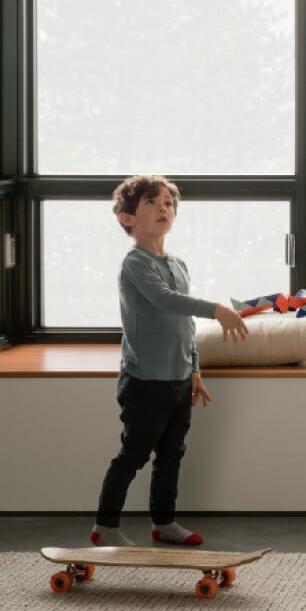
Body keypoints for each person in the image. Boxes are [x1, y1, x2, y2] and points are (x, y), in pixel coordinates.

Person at [90, 175, 248, 548]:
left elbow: (184, 323)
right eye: (151, 203)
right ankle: (105, 526)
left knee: (172, 455)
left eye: (169, 204)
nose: (164, 208)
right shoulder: (135, 264)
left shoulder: (178, 263)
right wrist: (218, 310)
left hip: (178, 380)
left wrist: (194, 369)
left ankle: (164, 522)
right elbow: (166, 301)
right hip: (145, 381)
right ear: (127, 218)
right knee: (133, 454)